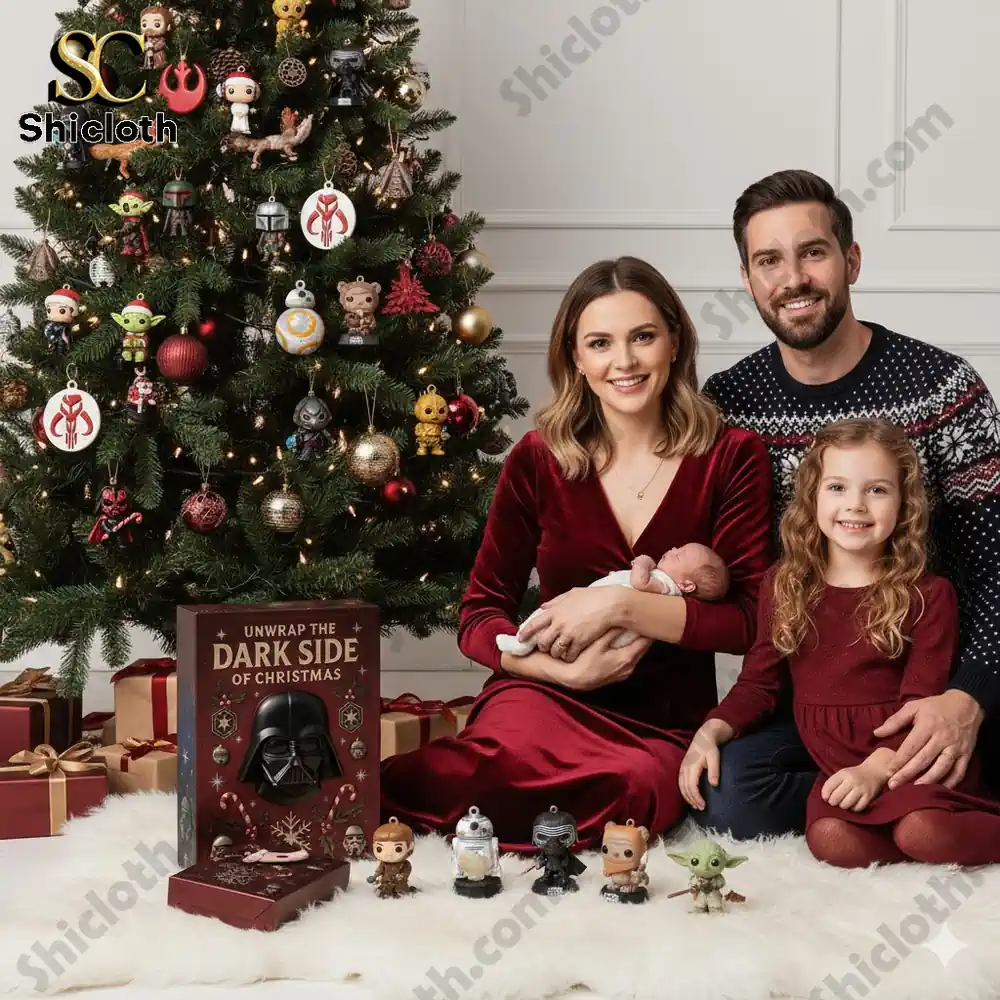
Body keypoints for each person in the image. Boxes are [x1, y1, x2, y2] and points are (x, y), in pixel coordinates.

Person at [380, 256, 774, 851]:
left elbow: (747, 622)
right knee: (485, 768)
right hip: (540, 694)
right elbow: (478, 615)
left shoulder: (731, 456)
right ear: (576, 358)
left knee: (638, 789)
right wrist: (554, 671)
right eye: (600, 343)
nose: (625, 362)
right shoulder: (537, 459)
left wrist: (618, 606)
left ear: (674, 342)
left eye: (643, 337)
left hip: (657, 723)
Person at [699, 168, 1000, 840]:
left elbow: (995, 565)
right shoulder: (729, 405)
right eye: (768, 260)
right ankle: (872, 803)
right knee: (730, 798)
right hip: (812, 696)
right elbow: (722, 567)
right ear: (747, 279)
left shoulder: (942, 388)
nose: (793, 279)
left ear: (851, 261)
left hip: (931, 681)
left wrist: (968, 696)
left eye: (813, 252)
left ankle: (922, 801)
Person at [681, 419, 1000, 867]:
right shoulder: (785, 584)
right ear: (812, 497)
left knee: (921, 829)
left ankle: (935, 831)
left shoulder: (928, 594)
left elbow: (920, 703)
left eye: (877, 490)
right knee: (828, 840)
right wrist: (711, 730)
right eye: (837, 487)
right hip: (836, 762)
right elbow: (759, 683)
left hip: (905, 759)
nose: (856, 505)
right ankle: (907, 841)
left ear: (904, 504)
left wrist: (875, 770)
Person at [497, 542, 730, 656]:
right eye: (678, 548)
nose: (673, 549)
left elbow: (639, 583)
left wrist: (643, 562)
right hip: (594, 613)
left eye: (678, 556)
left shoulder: (666, 587)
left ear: (687, 585)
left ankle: (522, 643)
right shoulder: (668, 588)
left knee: (548, 618)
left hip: (602, 624)